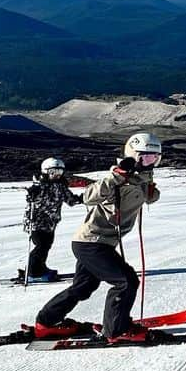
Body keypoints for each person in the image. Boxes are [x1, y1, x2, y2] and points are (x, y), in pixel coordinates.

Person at [33, 133, 163, 343]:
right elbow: (89, 196)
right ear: (133, 155)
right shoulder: (115, 179)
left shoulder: (140, 178)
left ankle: (46, 323)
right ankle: (116, 331)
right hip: (92, 243)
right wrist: (117, 176)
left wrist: (148, 186)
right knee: (127, 282)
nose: (150, 162)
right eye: (145, 157)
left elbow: (149, 198)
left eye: (154, 158)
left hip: (97, 242)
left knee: (83, 287)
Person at [22, 157, 82, 282]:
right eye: (53, 172)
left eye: (60, 172)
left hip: (51, 223)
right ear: (45, 171)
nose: (57, 175)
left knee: (46, 246)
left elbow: (70, 200)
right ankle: (33, 272)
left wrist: (83, 199)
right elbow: (32, 198)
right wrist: (32, 193)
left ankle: (40, 268)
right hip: (36, 222)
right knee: (41, 246)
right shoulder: (39, 185)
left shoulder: (60, 186)